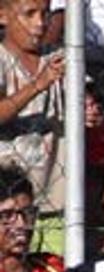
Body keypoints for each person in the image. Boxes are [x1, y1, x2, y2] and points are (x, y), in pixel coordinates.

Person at [0, 0, 65, 254]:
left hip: (55, 201)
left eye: (46, 14)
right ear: (3, 16)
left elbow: (86, 97)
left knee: (55, 269)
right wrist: (37, 85)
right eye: (30, 14)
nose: (40, 23)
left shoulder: (57, 57)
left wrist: (89, 109)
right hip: (7, 204)